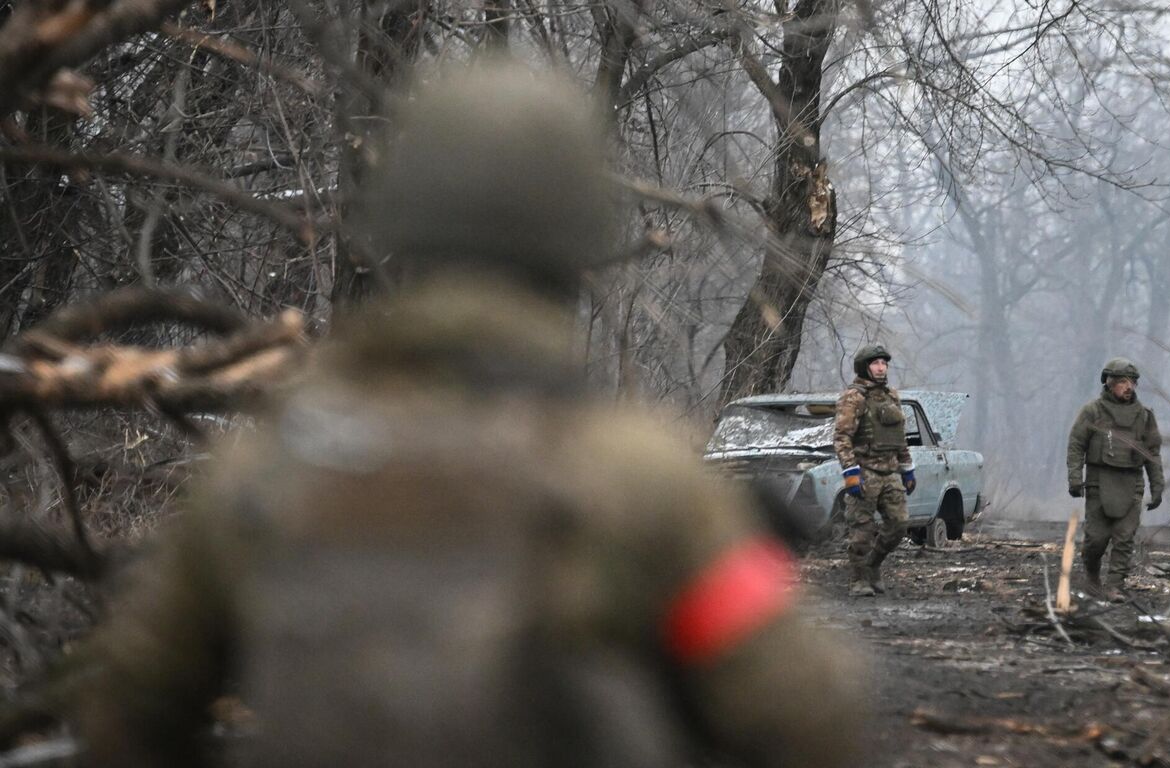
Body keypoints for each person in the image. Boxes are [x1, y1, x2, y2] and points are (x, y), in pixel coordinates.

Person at [70, 60, 864, 768]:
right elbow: (810, 719)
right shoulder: (637, 480)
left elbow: (128, 710)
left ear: (404, 221)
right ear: (578, 238)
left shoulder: (268, 468)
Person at [1064, 357, 1165, 597]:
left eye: (1132, 382)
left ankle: (1115, 586)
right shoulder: (1092, 412)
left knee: (1125, 537)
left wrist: (1157, 487)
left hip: (1132, 483)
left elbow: (1153, 454)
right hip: (1099, 481)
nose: (1128, 387)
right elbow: (1076, 444)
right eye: (1122, 382)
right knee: (1096, 540)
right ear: (1109, 383)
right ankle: (1091, 575)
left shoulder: (1144, 416)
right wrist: (1075, 478)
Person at [833, 344, 915, 597]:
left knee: (899, 525)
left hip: (890, 471)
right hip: (865, 470)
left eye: (884, 363)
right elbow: (842, 437)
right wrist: (850, 471)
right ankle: (859, 580)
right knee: (861, 531)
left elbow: (899, 436)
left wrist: (907, 468)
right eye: (875, 363)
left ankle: (873, 565)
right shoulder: (853, 397)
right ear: (864, 367)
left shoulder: (892, 396)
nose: (881, 368)